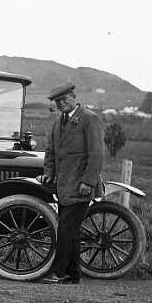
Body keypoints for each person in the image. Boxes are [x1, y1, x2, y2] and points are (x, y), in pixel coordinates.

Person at [38, 83, 105, 285]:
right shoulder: (58, 122)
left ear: (74, 97)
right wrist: (48, 173)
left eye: (65, 99)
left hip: (81, 187)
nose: (61, 103)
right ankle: (73, 274)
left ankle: (58, 272)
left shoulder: (90, 119)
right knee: (71, 231)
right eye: (58, 101)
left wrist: (88, 182)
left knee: (65, 229)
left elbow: (96, 154)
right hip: (64, 187)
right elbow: (50, 152)